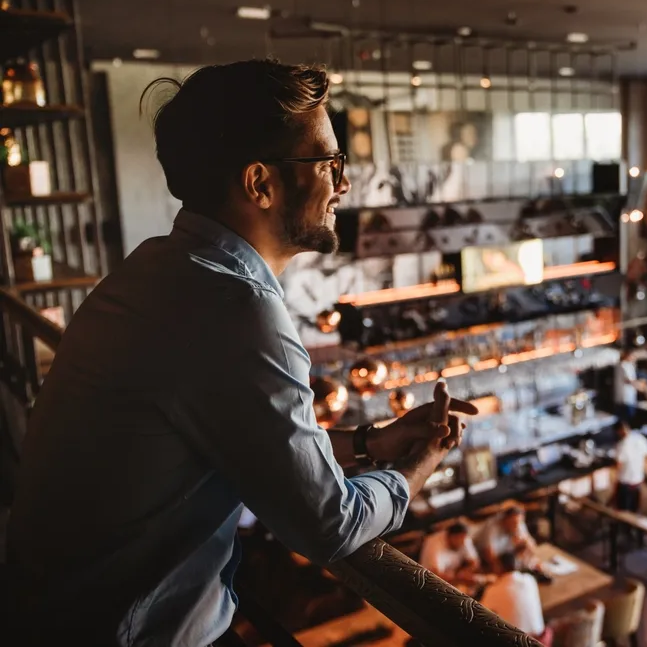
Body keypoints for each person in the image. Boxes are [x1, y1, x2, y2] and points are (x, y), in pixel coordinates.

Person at [5, 60, 478, 647]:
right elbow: (329, 525)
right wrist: (417, 465)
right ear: (260, 183)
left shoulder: (156, 268)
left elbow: (238, 440)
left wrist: (368, 443)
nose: (344, 183)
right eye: (328, 162)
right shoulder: (235, 308)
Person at [479, 554, 553, 646]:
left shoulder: (493, 590)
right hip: (541, 641)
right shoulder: (530, 579)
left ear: (498, 567)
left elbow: (478, 615)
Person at [419, 522, 489, 591]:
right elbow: (435, 575)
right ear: (450, 536)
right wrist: (459, 578)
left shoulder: (463, 538)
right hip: (429, 583)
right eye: (459, 539)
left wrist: (463, 572)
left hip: (453, 577)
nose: (462, 543)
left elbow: (475, 562)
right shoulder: (433, 544)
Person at [476, 505, 538, 574]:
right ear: (505, 520)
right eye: (513, 523)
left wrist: (524, 542)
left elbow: (532, 545)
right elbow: (489, 555)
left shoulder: (518, 523)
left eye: (519, 522)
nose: (517, 526)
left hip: (508, 556)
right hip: (490, 559)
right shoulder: (492, 527)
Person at [614, 421, 647, 513]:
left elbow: (618, 465)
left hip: (625, 484)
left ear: (618, 431)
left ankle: (625, 527)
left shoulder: (622, 445)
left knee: (623, 512)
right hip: (637, 482)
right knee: (634, 510)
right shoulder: (640, 439)